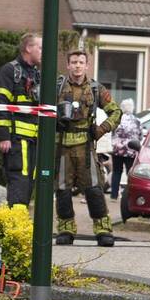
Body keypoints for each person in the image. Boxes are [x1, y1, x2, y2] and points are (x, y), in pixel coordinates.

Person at [53, 50, 121, 247]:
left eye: (81, 62)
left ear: (87, 65)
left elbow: (115, 112)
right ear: (68, 65)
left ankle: (103, 229)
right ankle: (66, 229)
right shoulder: (57, 87)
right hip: (62, 146)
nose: (77, 66)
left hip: (86, 146)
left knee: (94, 190)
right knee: (63, 190)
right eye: (73, 62)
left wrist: (102, 129)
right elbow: (43, 110)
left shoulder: (95, 88)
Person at [0, 33, 42, 207]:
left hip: (33, 139)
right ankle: (16, 223)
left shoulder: (35, 73)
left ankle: (19, 222)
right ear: (28, 48)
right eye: (40, 48)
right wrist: (3, 135)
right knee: (19, 180)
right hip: (16, 140)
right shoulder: (10, 70)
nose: (44, 52)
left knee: (28, 181)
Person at [110, 99, 142, 201]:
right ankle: (129, 195)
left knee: (116, 172)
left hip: (117, 150)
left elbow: (112, 133)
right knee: (130, 173)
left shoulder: (117, 120)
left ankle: (113, 196)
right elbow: (140, 135)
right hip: (131, 150)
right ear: (132, 108)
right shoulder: (137, 121)